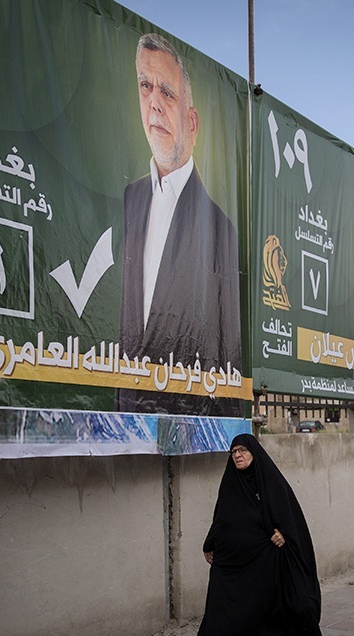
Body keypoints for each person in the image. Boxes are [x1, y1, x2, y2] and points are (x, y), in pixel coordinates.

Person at [117, 33, 241, 416]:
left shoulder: (221, 230)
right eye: (145, 86)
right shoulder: (127, 201)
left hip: (188, 417)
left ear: (191, 121)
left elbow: (227, 349)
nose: (153, 102)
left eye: (167, 92)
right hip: (125, 421)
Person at [194, 434, 329, 636]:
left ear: (254, 452)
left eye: (243, 450)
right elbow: (221, 516)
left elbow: (290, 518)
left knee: (271, 607)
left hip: (263, 559)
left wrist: (283, 533)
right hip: (229, 561)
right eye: (233, 451)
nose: (237, 455)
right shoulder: (230, 482)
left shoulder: (270, 481)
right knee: (218, 610)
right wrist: (209, 542)